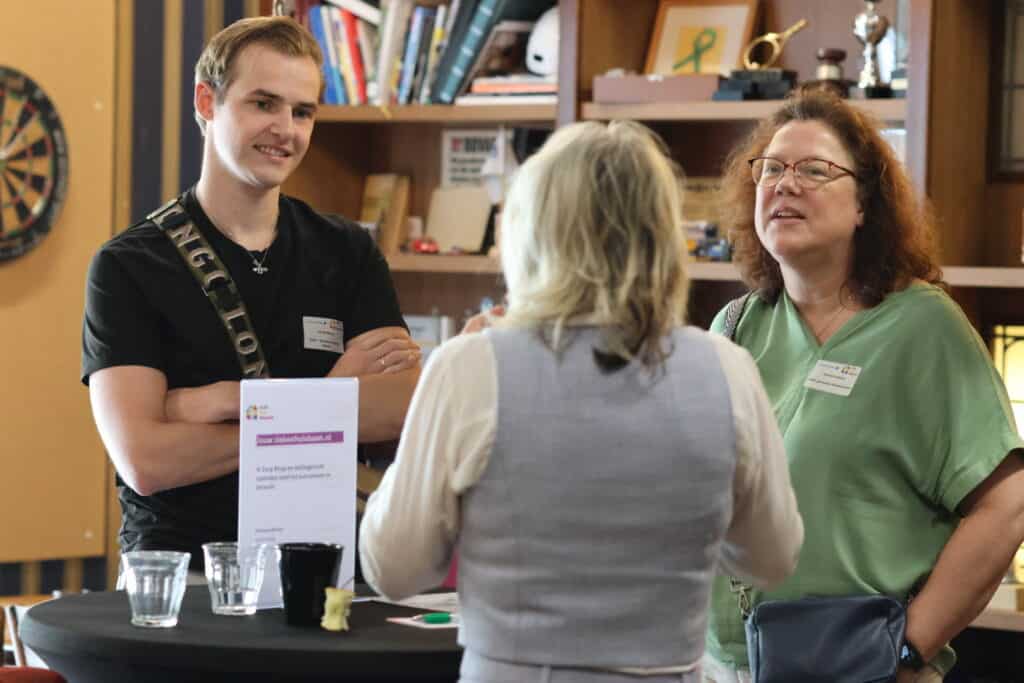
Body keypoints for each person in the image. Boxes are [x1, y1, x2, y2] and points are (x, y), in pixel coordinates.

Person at [359, 120, 804, 683]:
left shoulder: (470, 368)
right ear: (663, 236)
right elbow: (772, 559)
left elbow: (392, 568)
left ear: (532, 230)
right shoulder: (727, 369)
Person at [702, 89, 1024, 683]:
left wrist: (905, 651)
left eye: (814, 170)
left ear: (864, 206)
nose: (784, 183)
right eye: (771, 168)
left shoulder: (924, 328)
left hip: (862, 669)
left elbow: (1006, 506)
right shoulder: (737, 326)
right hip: (727, 666)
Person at [81, 16, 420, 570]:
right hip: (181, 576)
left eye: (302, 111)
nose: (285, 129)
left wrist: (216, 403)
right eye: (264, 103)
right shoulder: (128, 266)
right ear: (207, 101)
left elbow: (402, 412)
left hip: (320, 568)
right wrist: (331, 397)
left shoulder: (347, 251)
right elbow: (145, 460)